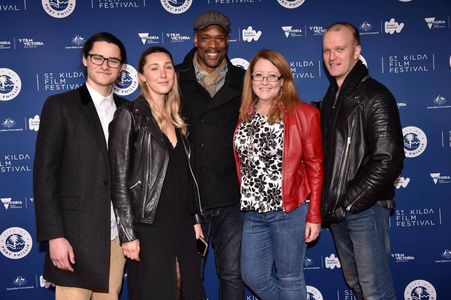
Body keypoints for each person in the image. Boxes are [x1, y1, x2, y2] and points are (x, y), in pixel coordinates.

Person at [33, 32, 127, 299]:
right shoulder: (60, 106)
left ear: (121, 68)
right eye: (98, 57)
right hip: (74, 237)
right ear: (85, 59)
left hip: (116, 239)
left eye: (113, 60)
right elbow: (45, 175)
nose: (105, 65)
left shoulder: (129, 110)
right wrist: (55, 236)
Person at [108, 46, 205, 300]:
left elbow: (186, 178)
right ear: (142, 76)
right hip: (149, 227)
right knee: (156, 292)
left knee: (190, 291)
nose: (163, 74)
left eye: (168, 67)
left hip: (183, 225)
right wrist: (128, 235)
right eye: (154, 68)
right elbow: (118, 181)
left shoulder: (179, 120)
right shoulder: (129, 115)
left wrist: (195, 219)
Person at [320, 22, 405, 300]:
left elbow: (388, 159)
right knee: (357, 285)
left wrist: (349, 201)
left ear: (357, 51)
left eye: (340, 49)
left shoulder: (375, 95)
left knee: (375, 291)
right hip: (340, 210)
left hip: (363, 209)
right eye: (327, 50)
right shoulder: (332, 98)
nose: (332, 56)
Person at [233, 49, 323, 299]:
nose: (264, 82)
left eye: (272, 76)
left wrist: (314, 215)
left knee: (290, 277)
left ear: (283, 81)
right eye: (258, 75)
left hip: (289, 211)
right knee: (253, 276)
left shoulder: (304, 114)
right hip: (253, 213)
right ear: (250, 80)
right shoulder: (244, 115)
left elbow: (315, 166)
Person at [176, 10, 245, 299]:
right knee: (190, 275)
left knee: (232, 274)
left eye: (219, 38)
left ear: (228, 41)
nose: (213, 45)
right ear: (195, 40)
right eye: (206, 38)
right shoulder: (175, 78)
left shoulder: (245, 80)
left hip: (232, 198)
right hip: (191, 199)